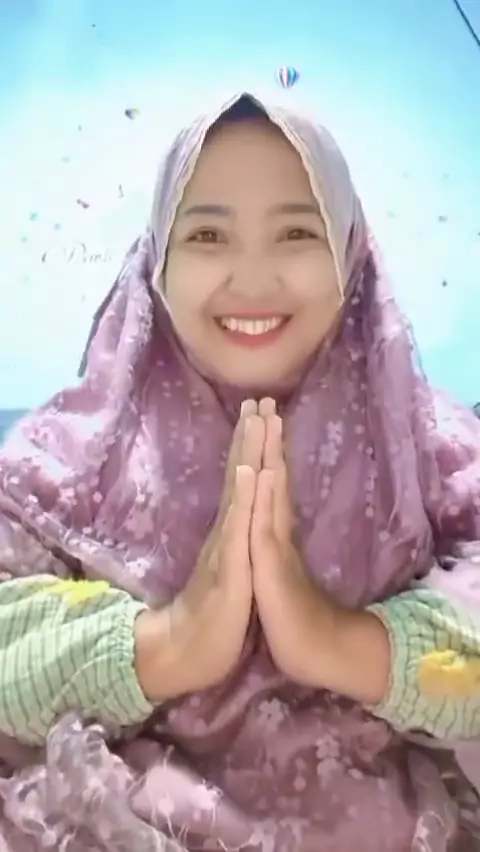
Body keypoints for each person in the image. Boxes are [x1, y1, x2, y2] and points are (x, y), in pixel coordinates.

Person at [0, 92, 479, 852]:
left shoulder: (431, 447)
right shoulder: (71, 454)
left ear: (351, 252)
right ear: (158, 261)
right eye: (207, 234)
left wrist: (337, 640)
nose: (252, 279)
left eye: (296, 232)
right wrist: (172, 641)